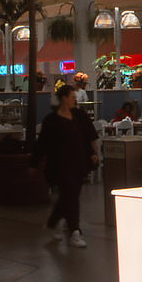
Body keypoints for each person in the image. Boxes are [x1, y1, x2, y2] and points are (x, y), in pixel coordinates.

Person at [32, 85, 99, 248]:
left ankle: (53, 222)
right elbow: (43, 144)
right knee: (70, 194)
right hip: (60, 164)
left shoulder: (79, 116)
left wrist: (93, 152)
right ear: (64, 98)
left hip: (79, 162)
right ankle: (75, 231)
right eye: (72, 96)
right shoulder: (52, 120)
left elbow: (89, 135)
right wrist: (34, 163)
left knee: (70, 195)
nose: (75, 99)